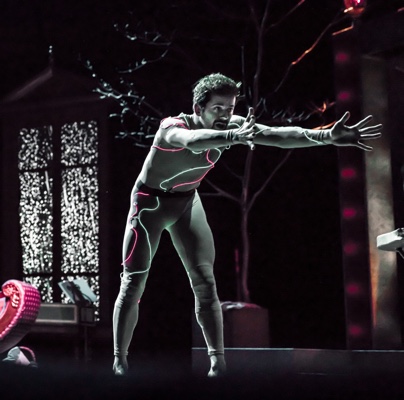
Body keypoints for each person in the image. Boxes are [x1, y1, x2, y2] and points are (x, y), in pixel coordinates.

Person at [112, 73, 382, 377]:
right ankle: (120, 361)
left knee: (205, 282)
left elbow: (277, 135)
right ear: (198, 108)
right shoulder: (172, 127)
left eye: (229, 109)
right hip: (149, 204)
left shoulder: (233, 126)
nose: (225, 115)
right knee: (133, 282)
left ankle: (218, 364)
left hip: (186, 201)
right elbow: (193, 142)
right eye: (217, 109)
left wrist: (326, 136)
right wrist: (233, 136)